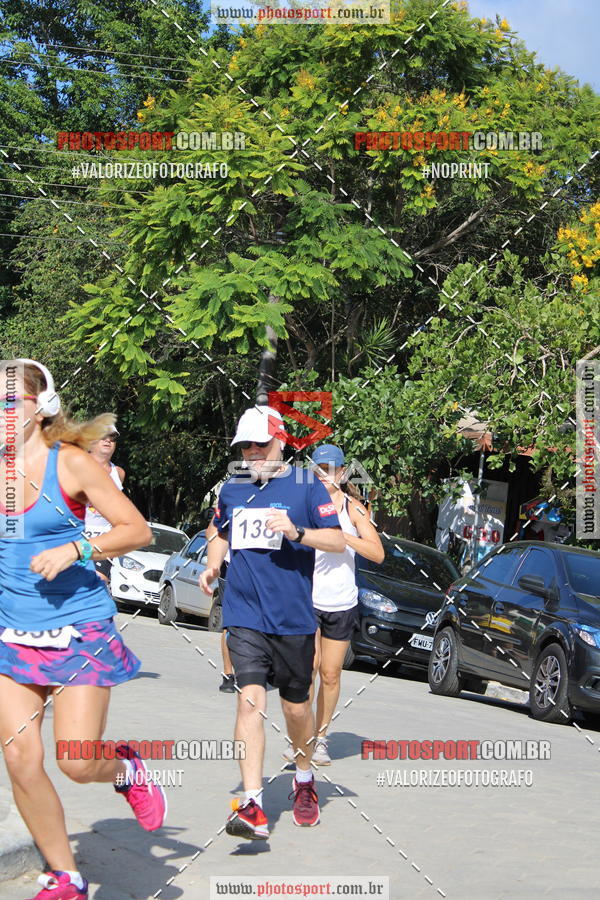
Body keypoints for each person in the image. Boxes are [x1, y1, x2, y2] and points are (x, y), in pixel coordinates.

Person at [0, 360, 167, 900]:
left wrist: (75, 547)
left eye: (10, 402)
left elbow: (136, 529)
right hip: (11, 631)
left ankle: (124, 769)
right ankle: (65, 875)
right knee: (21, 759)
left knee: (75, 760)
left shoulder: (70, 465)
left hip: (77, 628)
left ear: (40, 406)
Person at [200, 406, 345, 841]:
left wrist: (296, 532)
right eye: (245, 446)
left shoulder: (305, 486)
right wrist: (212, 565)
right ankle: (252, 803)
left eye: (260, 444)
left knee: (297, 708)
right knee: (249, 702)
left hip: (293, 620)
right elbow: (220, 532)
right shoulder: (233, 488)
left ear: (281, 442)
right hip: (244, 614)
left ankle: (303, 778)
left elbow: (337, 540)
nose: (252, 453)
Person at [284, 445, 384, 767]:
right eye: (318, 470)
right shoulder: (303, 505)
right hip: (307, 598)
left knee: (330, 674)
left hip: (341, 602)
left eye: (330, 470)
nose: (323, 476)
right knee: (308, 670)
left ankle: (322, 739)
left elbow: (377, 553)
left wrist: (343, 537)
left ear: (341, 474)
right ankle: (302, 739)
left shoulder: (354, 509)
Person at [84, 425, 124, 585]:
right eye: (103, 436)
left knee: (99, 581)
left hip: (105, 538)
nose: (108, 440)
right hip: (80, 533)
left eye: (112, 437)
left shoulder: (118, 473)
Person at [204, 517, 236, 694]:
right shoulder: (235, 491)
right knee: (231, 622)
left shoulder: (279, 494)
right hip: (232, 566)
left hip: (265, 570)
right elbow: (211, 531)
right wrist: (214, 563)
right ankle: (228, 674)